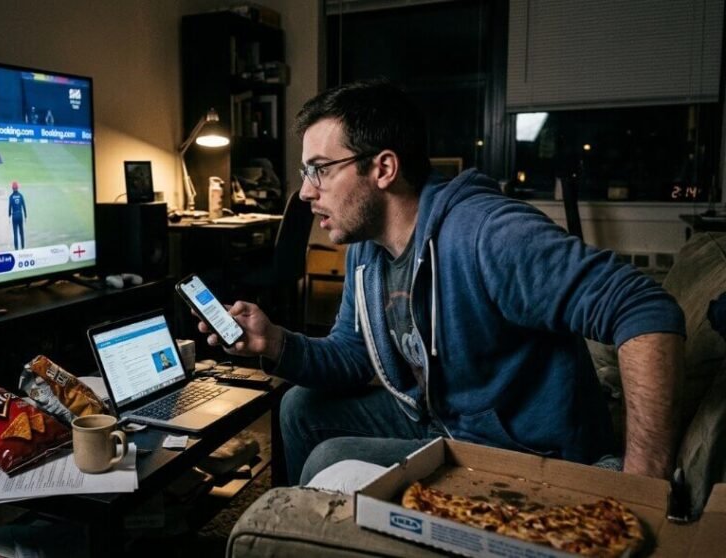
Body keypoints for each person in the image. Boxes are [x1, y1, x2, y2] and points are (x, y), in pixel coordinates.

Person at [195, 79, 685, 486]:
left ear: (383, 168)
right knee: (301, 407)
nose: (304, 192)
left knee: (330, 462)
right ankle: (304, 532)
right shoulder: (368, 247)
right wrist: (275, 341)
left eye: (320, 170)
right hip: (443, 420)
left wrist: (642, 480)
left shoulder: (487, 233)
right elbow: (351, 353)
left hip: (527, 450)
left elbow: (644, 309)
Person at [8, 181, 27, 250]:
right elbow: (24, 206)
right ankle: (23, 247)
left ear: (12, 188)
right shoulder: (21, 195)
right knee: (21, 232)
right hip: (20, 215)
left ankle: (16, 249)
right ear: (17, 187)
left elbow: (9, 207)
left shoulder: (11, 197)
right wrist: (25, 216)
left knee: (15, 233)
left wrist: (9, 216)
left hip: (14, 215)